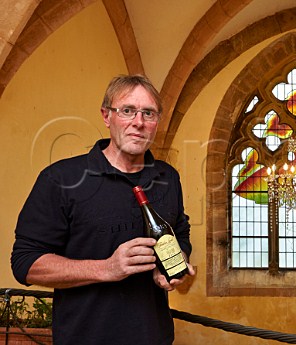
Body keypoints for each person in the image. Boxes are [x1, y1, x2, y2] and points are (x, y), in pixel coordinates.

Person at [11, 74, 195, 345]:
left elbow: (180, 231)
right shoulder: (61, 179)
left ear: (157, 122)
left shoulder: (168, 177)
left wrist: (173, 263)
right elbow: (25, 263)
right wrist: (106, 268)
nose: (139, 122)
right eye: (128, 111)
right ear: (107, 116)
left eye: (149, 113)